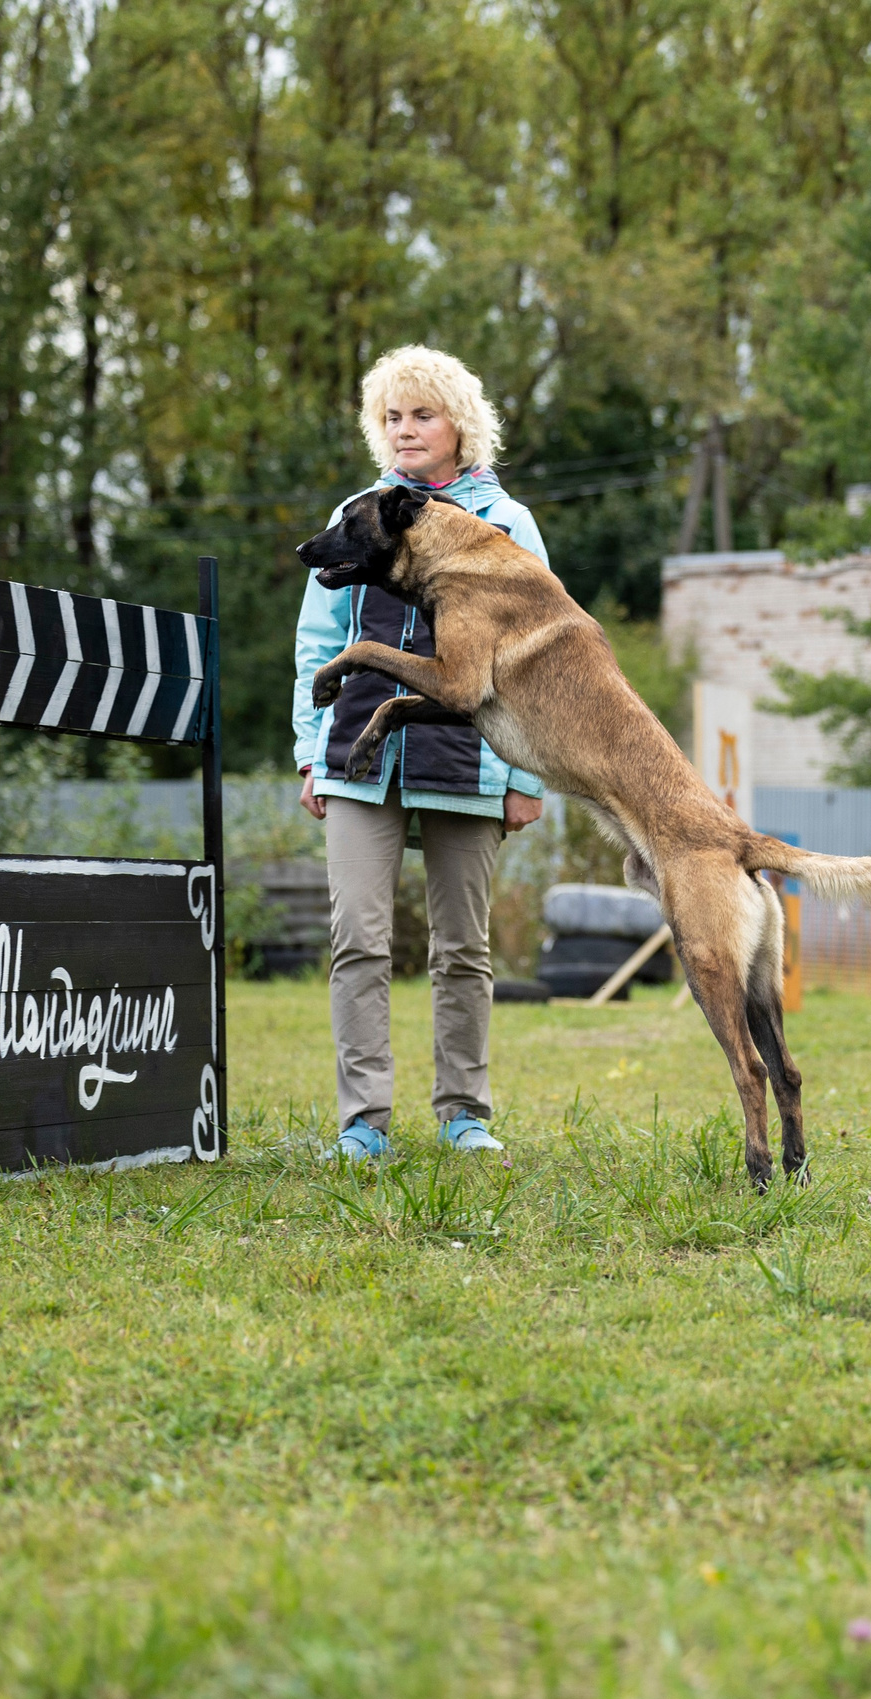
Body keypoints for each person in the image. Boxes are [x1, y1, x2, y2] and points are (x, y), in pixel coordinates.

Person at [293, 346, 545, 1160]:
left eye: (421, 415)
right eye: (392, 417)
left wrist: (525, 775)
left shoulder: (507, 525)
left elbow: (539, 658)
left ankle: (464, 1113)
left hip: (469, 759)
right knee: (358, 939)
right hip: (357, 755)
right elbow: (317, 643)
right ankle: (363, 1122)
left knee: (462, 948)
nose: (405, 430)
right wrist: (310, 752)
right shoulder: (357, 512)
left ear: (459, 425)